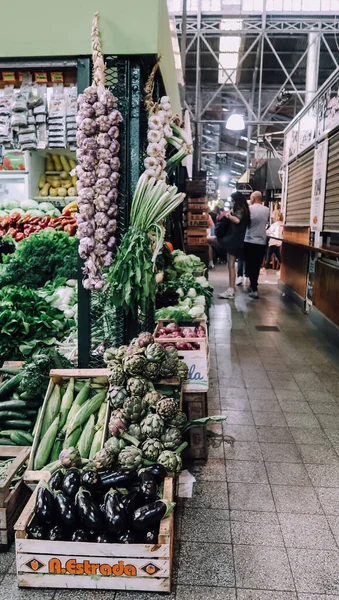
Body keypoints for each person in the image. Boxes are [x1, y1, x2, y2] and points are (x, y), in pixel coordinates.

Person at [217, 191, 251, 300]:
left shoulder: (240, 210)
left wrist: (228, 215)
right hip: (235, 240)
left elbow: (236, 220)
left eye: (233, 201)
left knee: (231, 265)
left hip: (233, 241)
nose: (232, 203)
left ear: (237, 201)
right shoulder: (244, 210)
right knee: (230, 265)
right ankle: (230, 289)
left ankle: (231, 290)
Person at [244, 191, 269, 299]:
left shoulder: (249, 209)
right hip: (261, 242)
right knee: (257, 265)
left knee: (250, 264)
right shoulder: (267, 210)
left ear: (253, 199)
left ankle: (254, 287)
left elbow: (245, 223)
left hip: (249, 240)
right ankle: (253, 284)